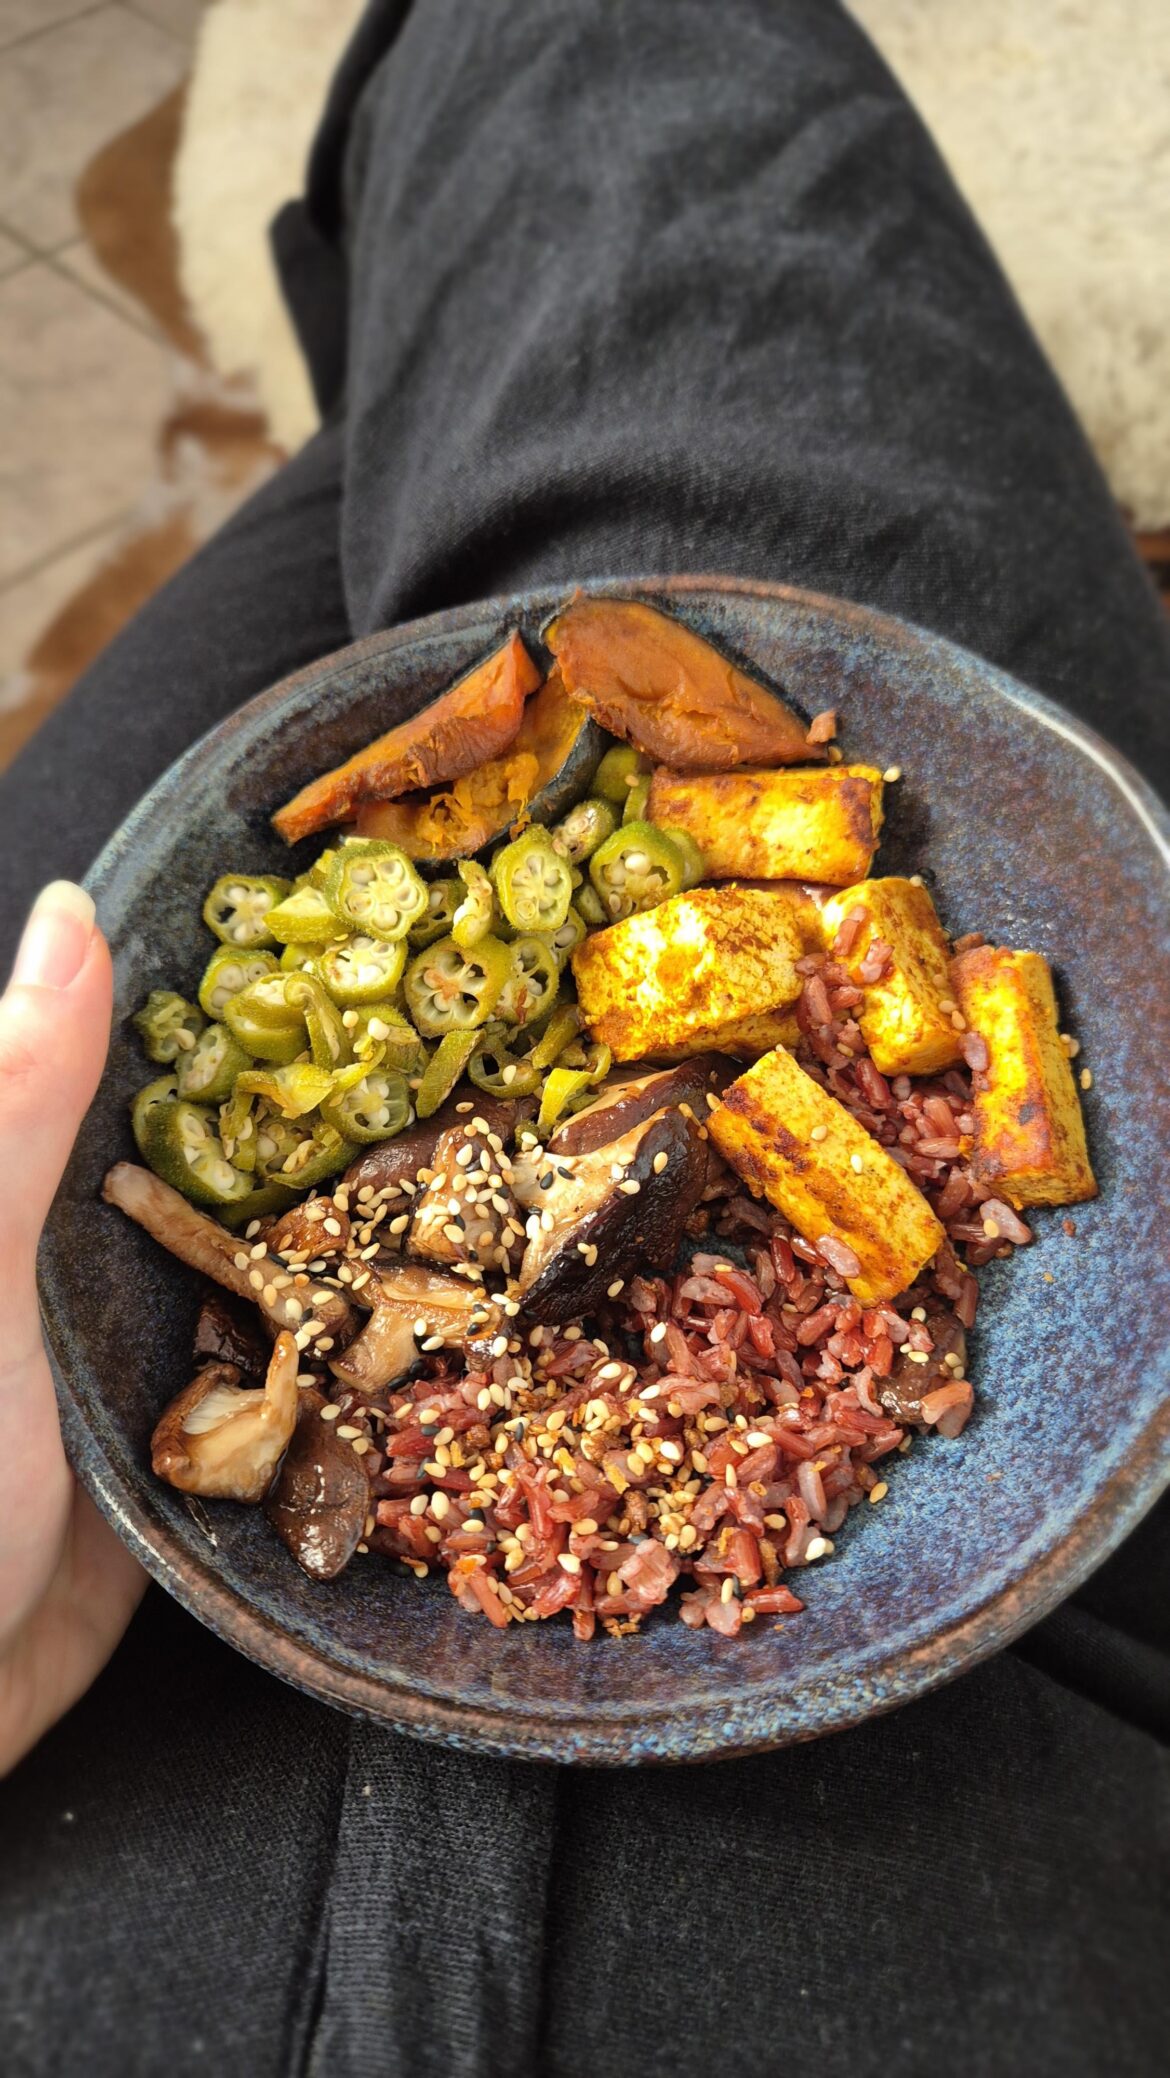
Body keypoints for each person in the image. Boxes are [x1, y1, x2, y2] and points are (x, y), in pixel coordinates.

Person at [1, 4, 1167, 2072]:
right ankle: (427, 248)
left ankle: (391, 322)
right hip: (1013, 1763)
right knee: (597, 87)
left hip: (93, 1799)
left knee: (430, 436)